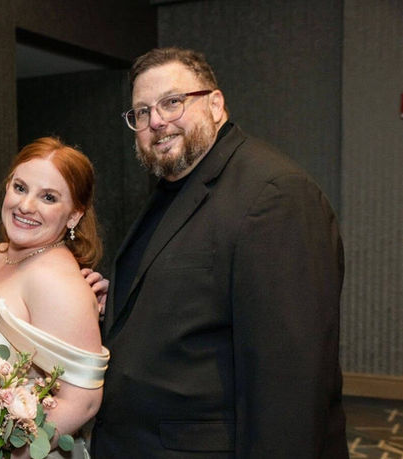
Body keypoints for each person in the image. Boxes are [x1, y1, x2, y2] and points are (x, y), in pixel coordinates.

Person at [91, 47, 347, 458]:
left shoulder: (274, 195)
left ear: (215, 104)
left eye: (172, 102)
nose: (156, 121)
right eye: (142, 112)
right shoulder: (172, 188)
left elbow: (290, 384)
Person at [0, 137, 110, 459]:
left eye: (48, 197)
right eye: (20, 188)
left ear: (74, 216)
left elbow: (83, 401)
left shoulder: (57, 280)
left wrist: (5, 451)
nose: (26, 206)